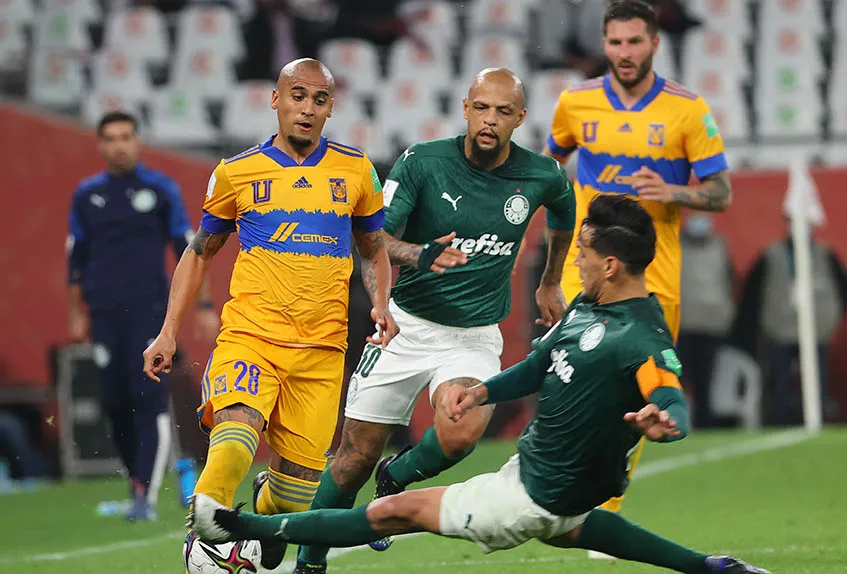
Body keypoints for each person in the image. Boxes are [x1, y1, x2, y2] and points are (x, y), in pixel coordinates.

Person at [190, 194, 770, 574]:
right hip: (546, 482)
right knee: (579, 526)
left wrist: (666, 420)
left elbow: (668, 393)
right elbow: (540, 367)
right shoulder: (584, 310)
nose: (578, 264)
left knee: (395, 512)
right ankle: (711, 568)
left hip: (524, 499)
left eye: (585, 254)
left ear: (612, 265)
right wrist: (484, 392)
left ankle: (240, 526)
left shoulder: (642, 337)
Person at [292, 67, 575, 572]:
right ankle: (310, 561)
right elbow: (373, 239)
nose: (490, 120)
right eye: (482, 108)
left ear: (520, 119)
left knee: (462, 429)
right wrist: (419, 256)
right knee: (353, 459)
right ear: (465, 107)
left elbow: (563, 209)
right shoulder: (422, 162)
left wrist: (550, 280)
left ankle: (398, 474)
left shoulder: (541, 174)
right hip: (405, 326)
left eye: (503, 112)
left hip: (472, 338)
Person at [142, 59, 399, 570]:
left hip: (322, 355)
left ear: (331, 108)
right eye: (297, 96)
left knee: (289, 501)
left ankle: (261, 506)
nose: (307, 109)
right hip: (251, 338)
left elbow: (373, 249)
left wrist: (381, 303)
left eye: (319, 100)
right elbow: (199, 251)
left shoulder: (357, 170)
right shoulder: (236, 172)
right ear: (275, 100)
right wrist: (167, 332)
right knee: (234, 439)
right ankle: (204, 547)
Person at [542, 0, 732, 524]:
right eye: (615, 42)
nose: (624, 53)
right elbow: (546, 167)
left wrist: (673, 190)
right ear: (604, 45)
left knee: (642, 385)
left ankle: (607, 501)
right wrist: (553, 239)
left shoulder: (687, 109)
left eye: (634, 42)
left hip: (654, 278)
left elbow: (721, 192)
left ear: (654, 43)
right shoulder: (575, 103)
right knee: (564, 372)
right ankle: (553, 484)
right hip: (582, 268)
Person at [67, 111, 219, 521]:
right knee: (114, 402)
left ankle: (144, 499)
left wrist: (203, 306)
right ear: (100, 145)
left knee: (147, 399)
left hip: (147, 313)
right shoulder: (87, 195)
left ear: (138, 141)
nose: (120, 144)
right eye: (111, 138)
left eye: (127, 136)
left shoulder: (160, 189)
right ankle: (137, 484)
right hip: (102, 314)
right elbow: (76, 257)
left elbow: (192, 249)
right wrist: (75, 313)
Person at [732, 214, 847, 426]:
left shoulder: (825, 254)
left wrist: (832, 318)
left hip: (816, 331)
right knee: (778, 383)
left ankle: (817, 421)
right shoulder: (771, 255)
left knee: (817, 383)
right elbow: (751, 294)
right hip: (779, 330)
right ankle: (778, 424)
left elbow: (845, 287)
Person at [679, 213, 735, 428]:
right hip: (683, 325)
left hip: (712, 325)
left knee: (706, 382)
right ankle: (677, 422)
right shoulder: (677, 247)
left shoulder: (720, 247)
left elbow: (728, 283)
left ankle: (704, 423)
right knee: (678, 379)